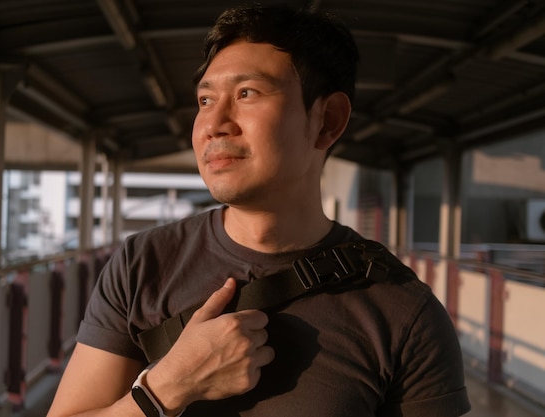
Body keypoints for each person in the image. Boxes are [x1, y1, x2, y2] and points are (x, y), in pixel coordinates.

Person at [47, 5, 470, 417]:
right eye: (206, 100)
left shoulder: (403, 311)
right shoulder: (142, 263)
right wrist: (166, 390)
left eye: (247, 93)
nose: (214, 123)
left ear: (327, 121)